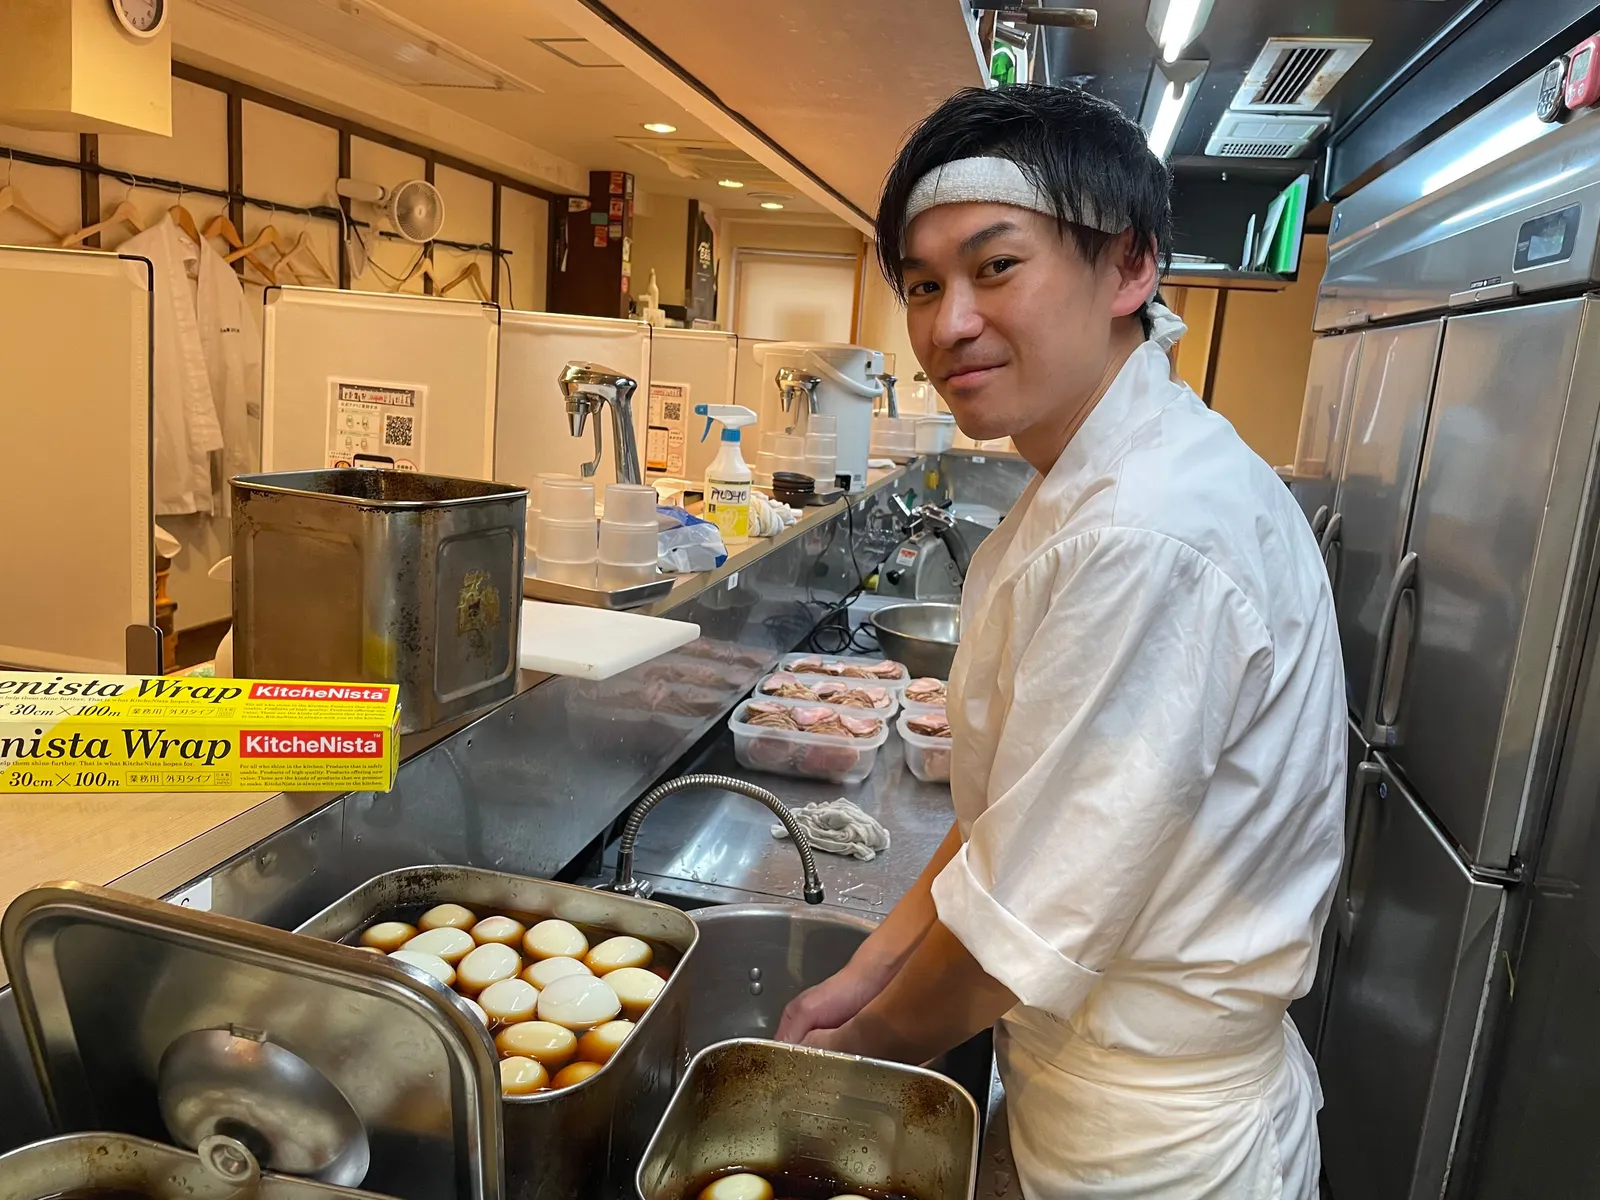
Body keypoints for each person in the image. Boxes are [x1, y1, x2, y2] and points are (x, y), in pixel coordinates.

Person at [775, 85, 1346, 1199]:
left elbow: (1017, 924)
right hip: (1094, 1100)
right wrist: (872, 968)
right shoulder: (1085, 482)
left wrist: (828, 1083)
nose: (949, 325)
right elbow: (1019, 821)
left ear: (1128, 268)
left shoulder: (1146, 530)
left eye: (996, 267)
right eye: (924, 284)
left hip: (1155, 1146)